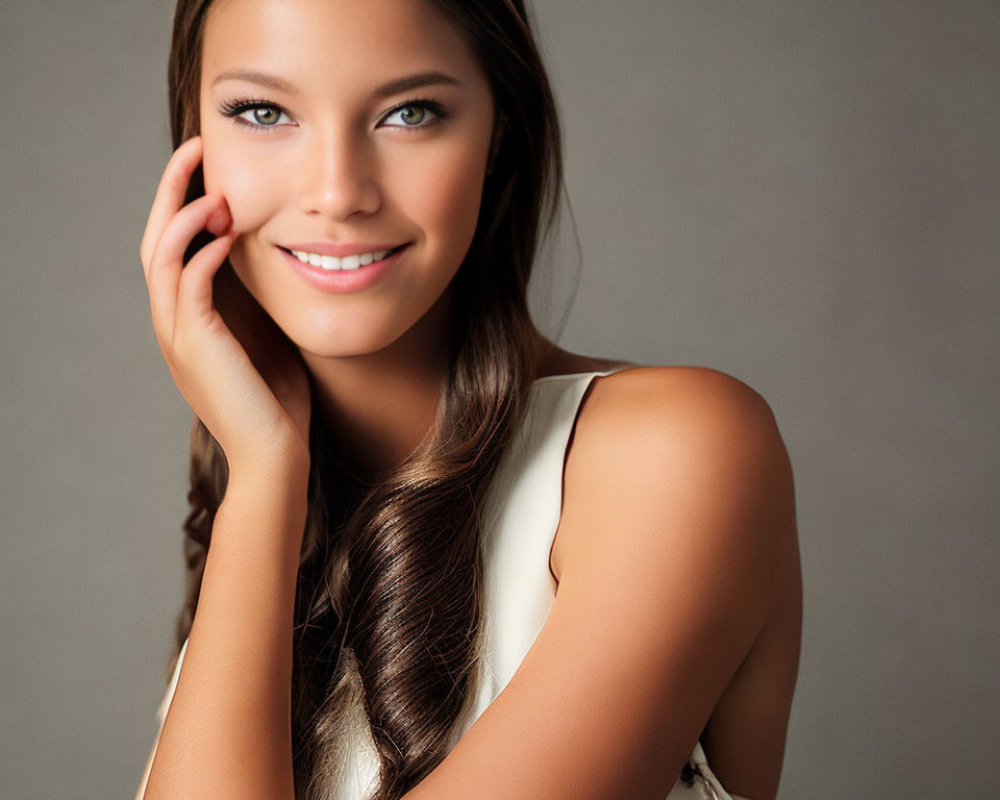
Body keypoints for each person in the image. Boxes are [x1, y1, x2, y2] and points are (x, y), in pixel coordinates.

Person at [135, 1, 801, 798]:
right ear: (196, 148)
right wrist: (265, 469)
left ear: (500, 137)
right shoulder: (269, 530)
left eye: (410, 112)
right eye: (263, 112)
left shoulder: (676, 455)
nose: (337, 192)